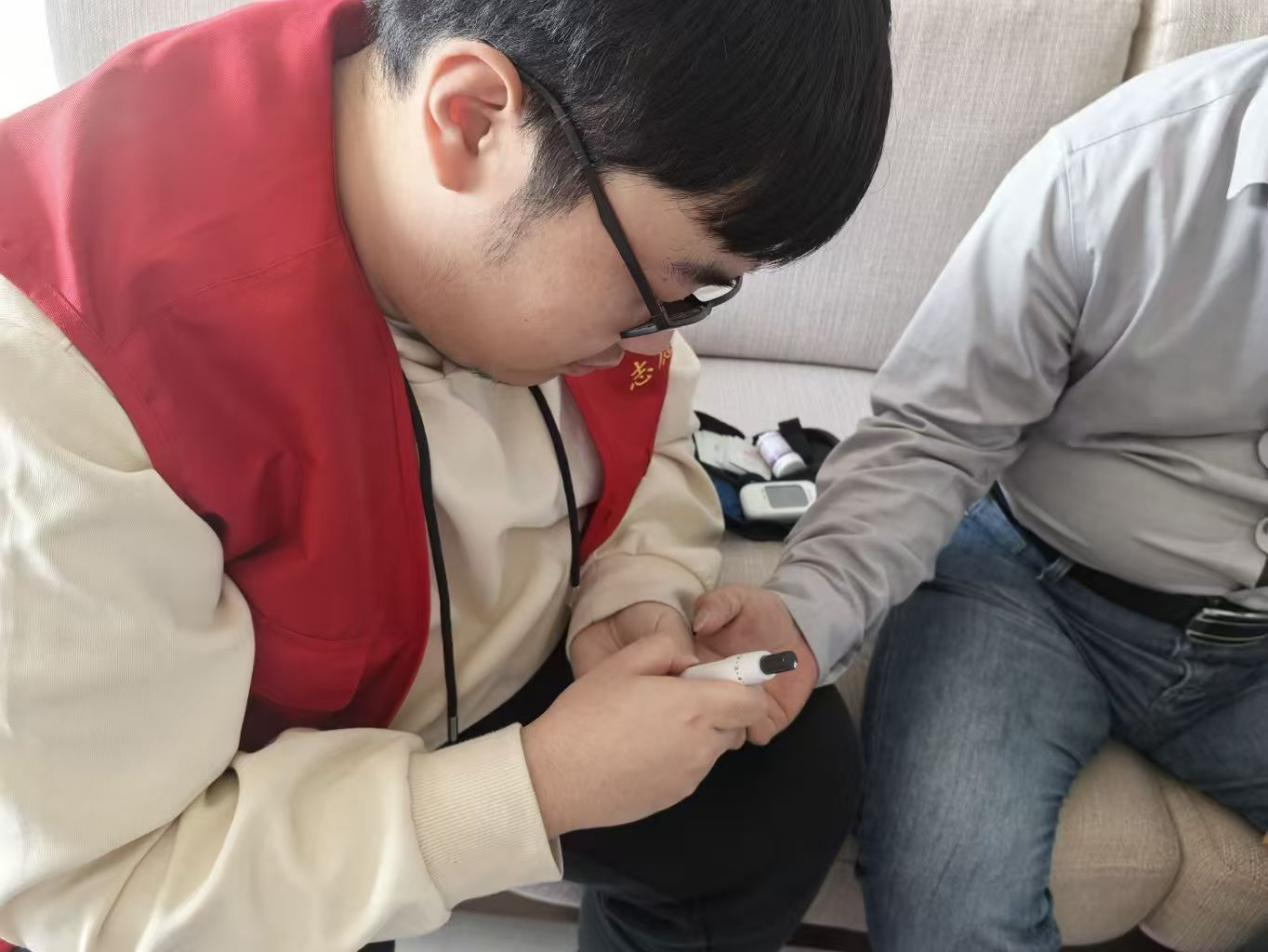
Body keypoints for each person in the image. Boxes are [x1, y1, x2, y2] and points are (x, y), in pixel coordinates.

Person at [0, 0, 893, 950]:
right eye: (669, 287)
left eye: (698, 297)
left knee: (785, 782)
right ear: (468, 120)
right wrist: (530, 791)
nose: (654, 341)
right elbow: (109, 893)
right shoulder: (61, 371)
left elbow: (658, 427)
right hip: (247, 801)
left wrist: (638, 589)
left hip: (494, 666)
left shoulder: (558, 151)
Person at [693, 35, 1268, 952]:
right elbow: (932, 432)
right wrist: (804, 612)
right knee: (951, 914)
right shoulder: (1112, 170)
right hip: (1035, 594)